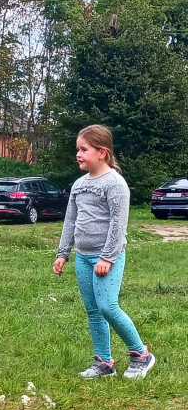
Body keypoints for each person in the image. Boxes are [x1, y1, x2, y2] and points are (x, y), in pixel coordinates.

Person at [54, 124, 156, 380]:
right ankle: (103, 362)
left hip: (106, 257)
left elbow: (118, 225)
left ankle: (141, 354)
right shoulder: (79, 184)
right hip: (83, 257)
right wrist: (63, 252)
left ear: (102, 152)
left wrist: (107, 257)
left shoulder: (115, 184)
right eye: (77, 149)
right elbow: (70, 220)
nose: (78, 154)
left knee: (108, 306)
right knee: (93, 311)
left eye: (84, 149)